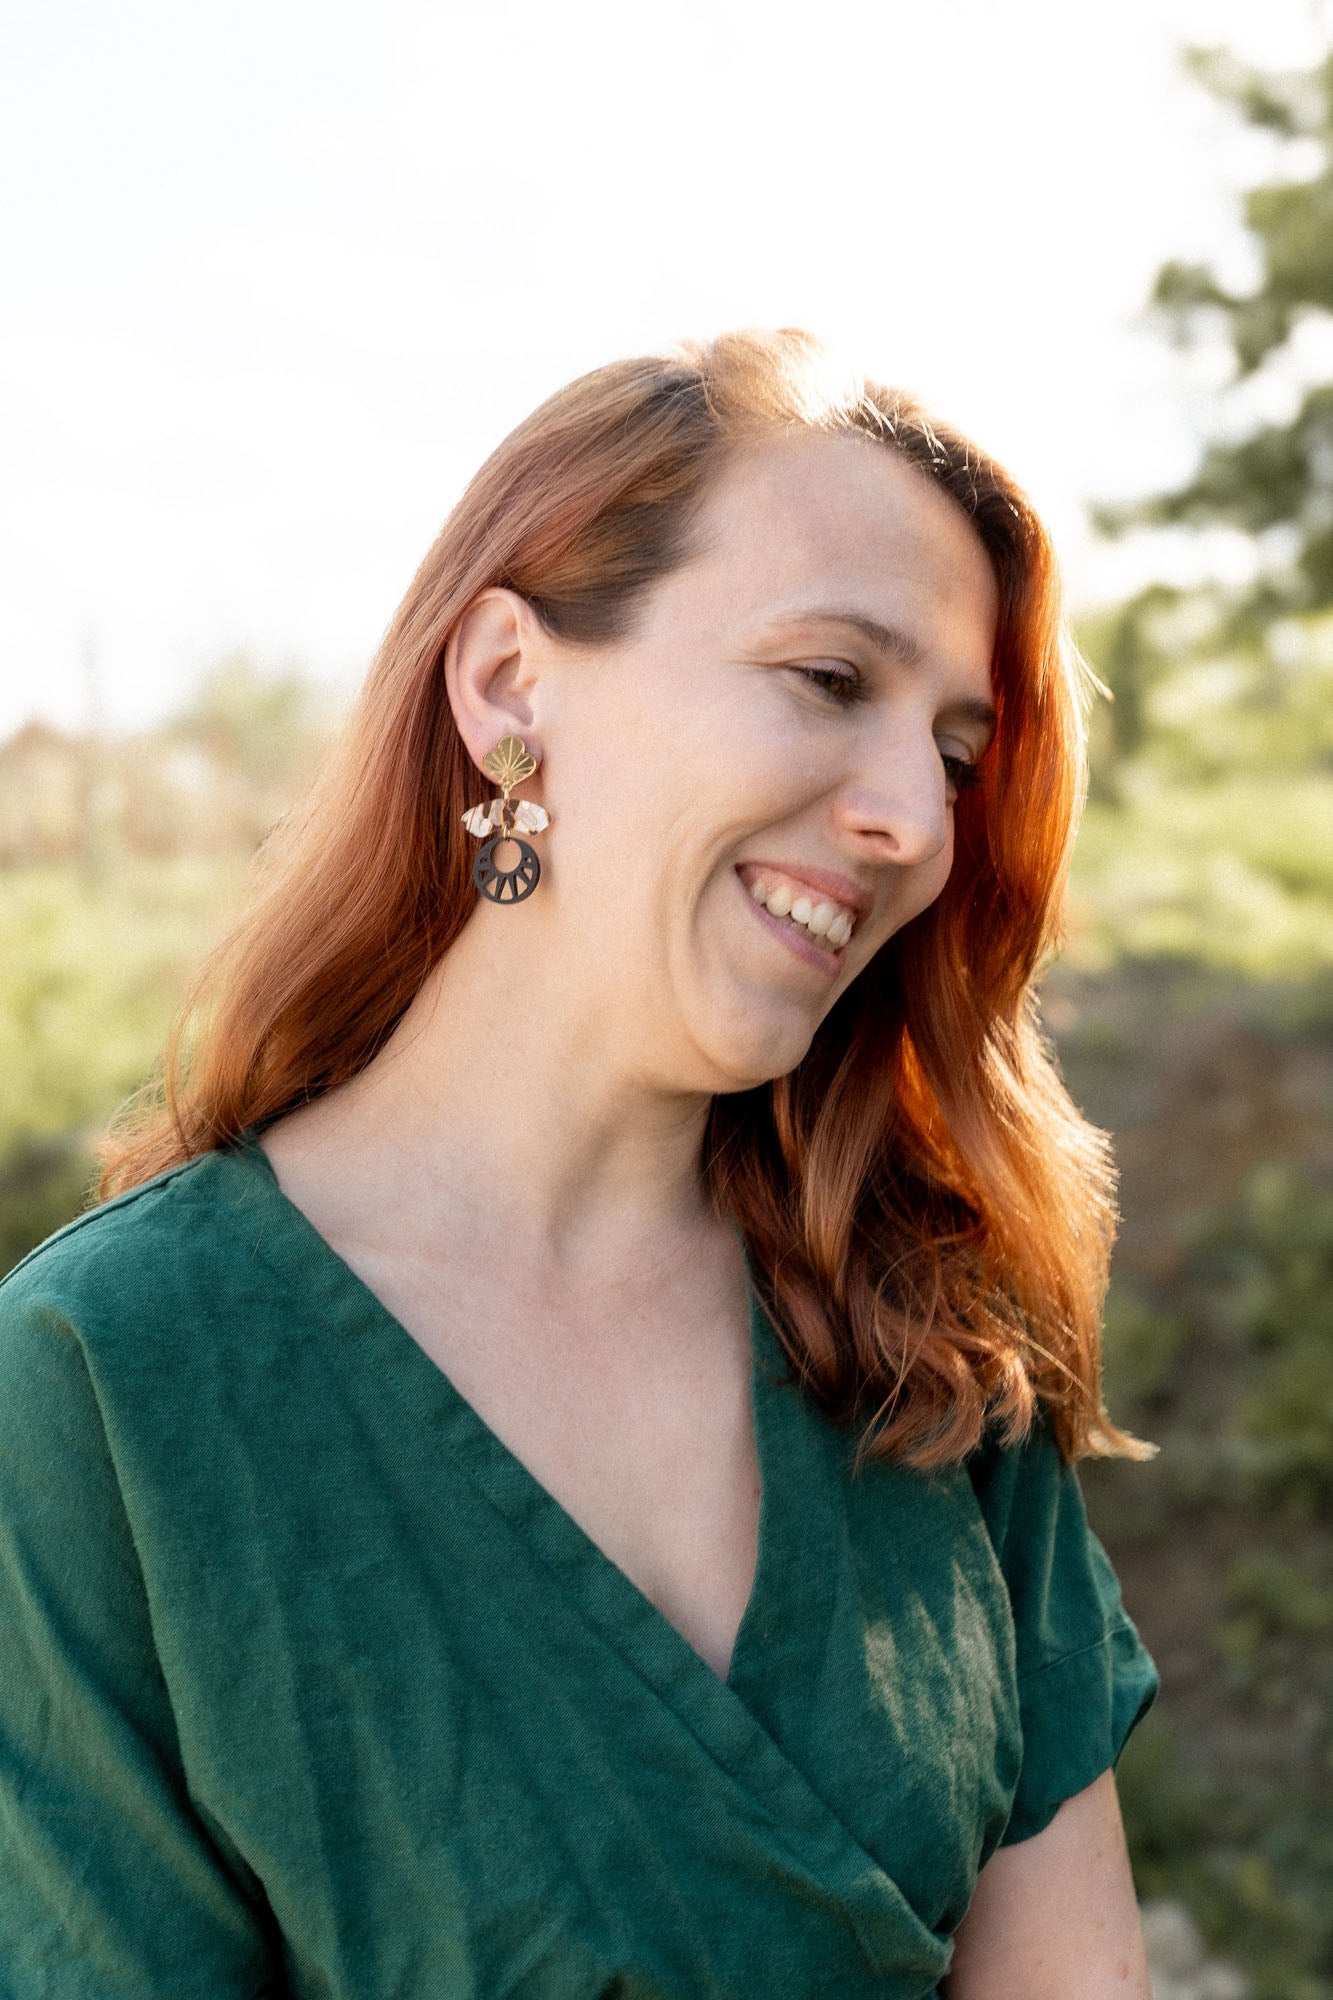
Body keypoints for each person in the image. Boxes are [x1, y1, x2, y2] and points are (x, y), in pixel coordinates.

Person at [0, 328, 1159, 1998]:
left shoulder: (930, 1334)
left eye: (959, 753)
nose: (914, 815)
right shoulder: (113, 1386)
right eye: (830, 681)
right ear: (506, 685)